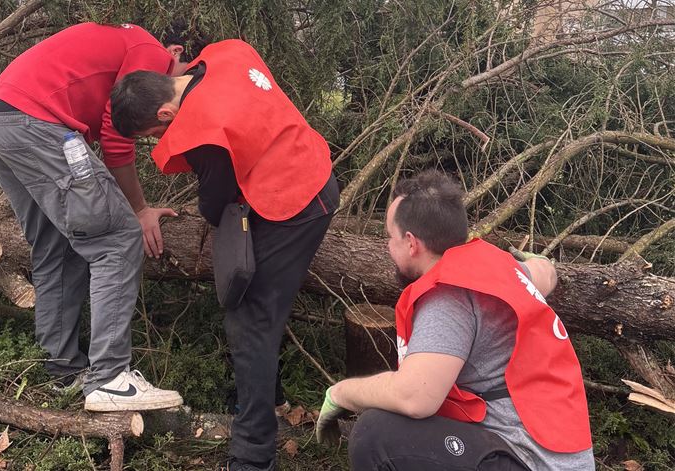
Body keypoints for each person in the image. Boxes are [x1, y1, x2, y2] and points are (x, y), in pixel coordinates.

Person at [110, 39, 338, 471]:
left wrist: (208, 208)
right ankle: (266, 395)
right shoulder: (225, 53)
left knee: (249, 317)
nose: (160, 140)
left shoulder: (203, 128)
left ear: (164, 113)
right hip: (308, 168)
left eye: (153, 136)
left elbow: (214, 203)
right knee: (261, 308)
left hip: (298, 202)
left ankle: (253, 455)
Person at [0, 22, 194, 412]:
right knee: (116, 237)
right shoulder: (152, 56)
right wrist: (139, 210)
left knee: (56, 243)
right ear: (176, 53)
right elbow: (115, 137)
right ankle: (110, 378)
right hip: (38, 123)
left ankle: (63, 368)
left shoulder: (127, 44)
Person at [315, 170, 594, 470]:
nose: (387, 247)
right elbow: (545, 275)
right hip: (554, 451)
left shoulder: (447, 298)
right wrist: (537, 260)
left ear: (411, 243)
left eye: (389, 237)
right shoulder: (499, 267)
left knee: (376, 434)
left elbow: (415, 397)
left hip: (529, 459)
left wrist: (341, 394)